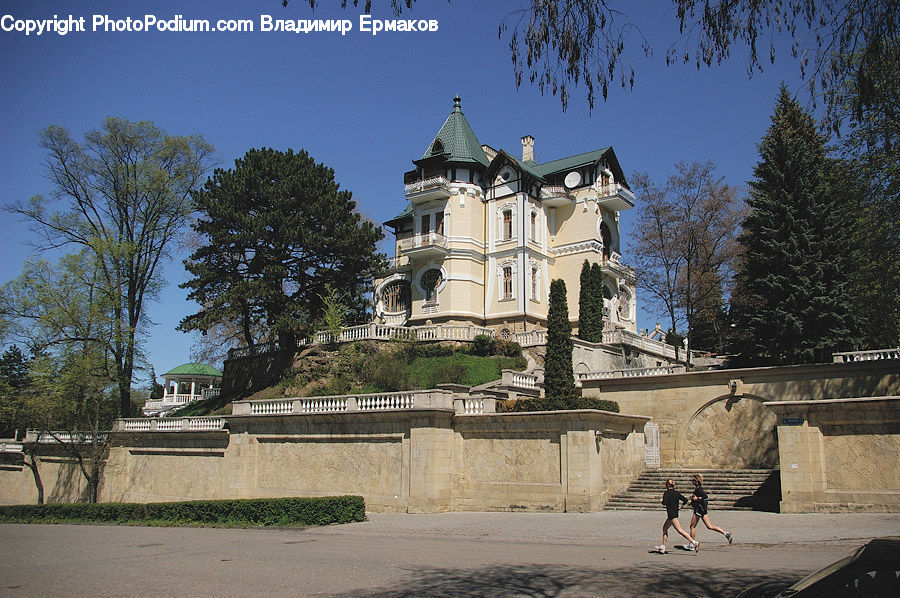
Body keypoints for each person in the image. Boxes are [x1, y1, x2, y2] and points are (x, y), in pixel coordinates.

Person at [685, 473, 733, 548]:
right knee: (709, 526)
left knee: (692, 526)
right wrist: (693, 498)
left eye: (693, 480)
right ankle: (725, 533)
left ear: (697, 481)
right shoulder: (698, 488)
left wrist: (696, 498)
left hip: (699, 510)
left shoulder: (699, 489)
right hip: (703, 510)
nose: (692, 481)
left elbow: (705, 497)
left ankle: (692, 544)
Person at [655, 479, 698, 554]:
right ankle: (663, 546)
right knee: (664, 528)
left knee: (680, 530)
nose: (665, 485)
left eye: (666, 484)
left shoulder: (666, 493)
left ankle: (694, 542)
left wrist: (661, 500)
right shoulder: (677, 493)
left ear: (668, 485)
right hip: (674, 513)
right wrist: (681, 506)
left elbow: (664, 503)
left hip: (672, 515)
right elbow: (685, 500)